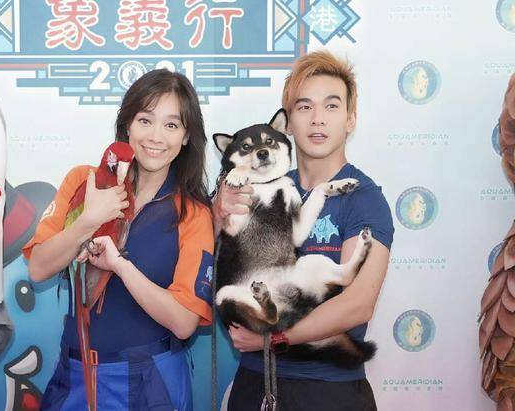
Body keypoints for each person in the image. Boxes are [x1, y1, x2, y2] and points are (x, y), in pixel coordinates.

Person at [212, 50, 395, 410]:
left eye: (331, 106)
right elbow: (215, 265)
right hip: (255, 381)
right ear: (288, 123)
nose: (317, 119)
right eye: (305, 107)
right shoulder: (258, 186)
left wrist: (274, 339)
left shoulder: (363, 198)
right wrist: (218, 217)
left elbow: (357, 304)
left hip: (328, 390)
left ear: (350, 119)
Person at [23, 69, 214, 410]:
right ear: (127, 124)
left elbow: (184, 323)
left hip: (150, 381)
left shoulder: (193, 212)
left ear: (186, 136)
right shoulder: (84, 182)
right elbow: (38, 269)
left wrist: (120, 266)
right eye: (145, 120)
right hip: (75, 374)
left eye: (171, 125)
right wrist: (88, 220)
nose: (156, 137)